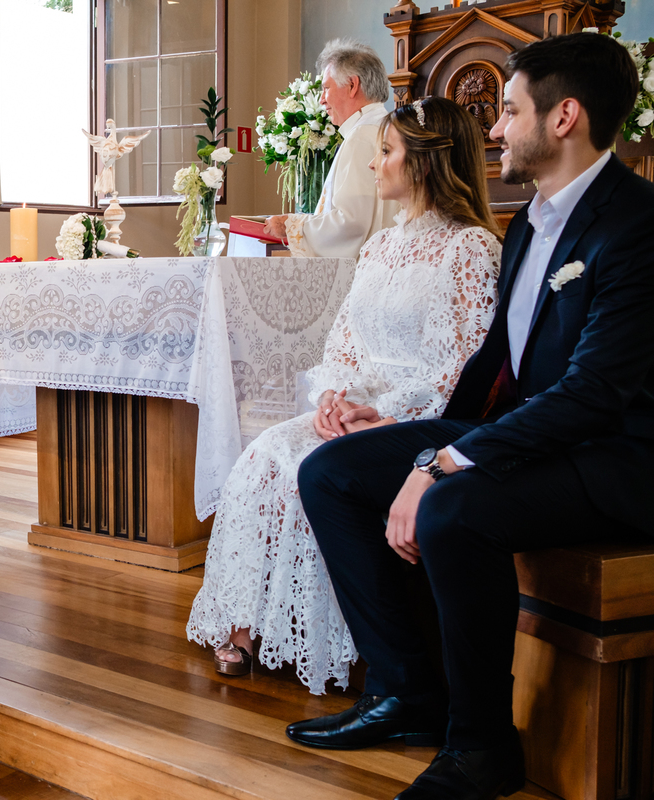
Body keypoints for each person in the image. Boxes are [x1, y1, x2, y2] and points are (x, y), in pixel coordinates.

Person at [292, 33, 654, 800]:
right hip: (536, 438)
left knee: (453, 509)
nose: (493, 128)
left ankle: (483, 745)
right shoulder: (525, 223)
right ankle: (407, 693)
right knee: (329, 471)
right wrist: (410, 438)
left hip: (616, 458)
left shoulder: (638, 227)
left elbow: (594, 395)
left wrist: (444, 462)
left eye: (510, 111)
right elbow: (496, 360)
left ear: (565, 117)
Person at [188, 97, 501, 693]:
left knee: (311, 464)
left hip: (415, 416)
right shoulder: (380, 247)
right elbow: (345, 341)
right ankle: (258, 621)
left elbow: (459, 369)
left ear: (427, 161)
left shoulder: (471, 249)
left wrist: (380, 414)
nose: (374, 164)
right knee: (266, 453)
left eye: (386, 151)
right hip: (355, 404)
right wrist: (333, 395)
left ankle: (327, 637)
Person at [263, 39, 401, 258]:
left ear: (353, 85)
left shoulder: (362, 136)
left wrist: (292, 225)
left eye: (326, 88)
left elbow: (351, 223)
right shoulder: (387, 126)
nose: (322, 100)